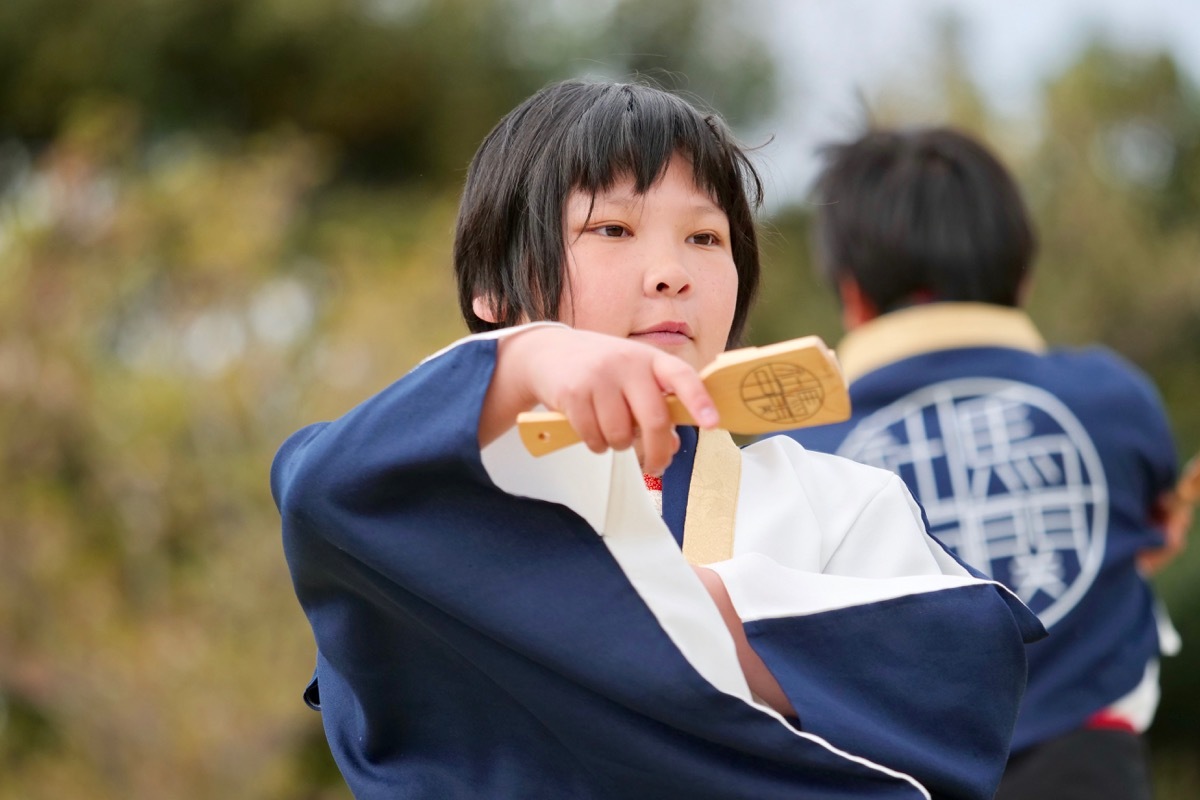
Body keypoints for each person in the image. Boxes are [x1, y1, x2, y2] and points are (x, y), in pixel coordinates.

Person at [271, 82, 1043, 800]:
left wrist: (568, 616)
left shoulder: (839, 502)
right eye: (612, 228)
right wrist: (533, 356)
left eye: (707, 237)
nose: (674, 272)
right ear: (493, 291)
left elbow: (955, 673)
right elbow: (322, 492)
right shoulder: (431, 483)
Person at [781, 126, 1187, 800]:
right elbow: (1151, 528)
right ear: (1023, 276)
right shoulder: (1116, 401)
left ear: (851, 293)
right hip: (1089, 771)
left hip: (890, 776)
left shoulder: (796, 453)